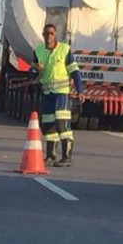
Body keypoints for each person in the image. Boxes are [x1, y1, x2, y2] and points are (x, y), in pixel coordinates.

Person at [32, 24, 85, 167]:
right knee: (48, 125)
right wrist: (35, 69)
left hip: (61, 94)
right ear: (43, 35)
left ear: (55, 35)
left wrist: (80, 90)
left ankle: (67, 157)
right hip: (47, 93)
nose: (49, 36)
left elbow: (74, 71)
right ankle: (50, 156)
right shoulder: (38, 51)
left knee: (62, 124)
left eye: (52, 33)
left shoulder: (65, 50)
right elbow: (31, 73)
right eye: (47, 33)